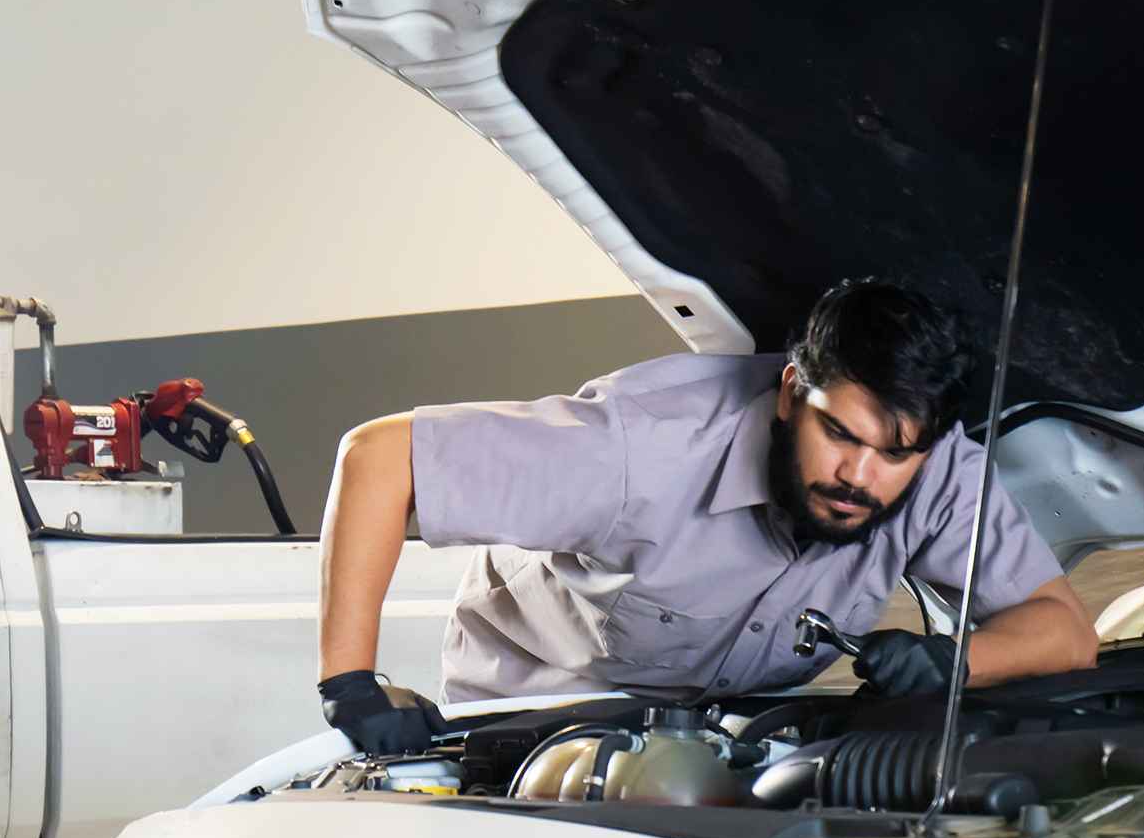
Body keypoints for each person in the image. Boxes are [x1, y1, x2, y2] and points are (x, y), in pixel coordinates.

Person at [313, 276, 1099, 754]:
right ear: (792, 392)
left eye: (896, 453)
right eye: (840, 435)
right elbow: (380, 458)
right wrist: (351, 684)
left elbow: (1064, 628)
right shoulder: (641, 449)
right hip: (536, 726)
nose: (860, 477)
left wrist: (958, 661)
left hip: (721, 743)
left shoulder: (936, 468)